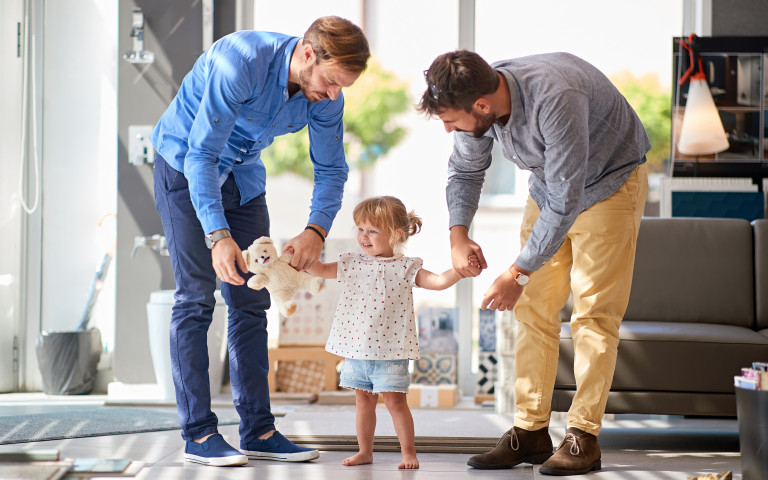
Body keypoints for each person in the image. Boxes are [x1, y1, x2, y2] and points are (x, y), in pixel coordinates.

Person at [150, 17, 370, 467]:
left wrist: (316, 231)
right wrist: (218, 235)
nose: (333, 95)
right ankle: (198, 434)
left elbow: (332, 170)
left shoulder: (327, 95)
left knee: (252, 302)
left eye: (340, 88)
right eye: (330, 82)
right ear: (308, 54)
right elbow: (203, 154)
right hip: (185, 167)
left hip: (244, 180)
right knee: (195, 299)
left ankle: (259, 430)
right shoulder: (241, 63)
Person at [418, 50, 649, 476]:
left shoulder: (555, 97)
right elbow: (466, 170)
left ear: (482, 106)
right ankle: (530, 431)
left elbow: (568, 198)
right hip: (551, 187)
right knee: (531, 308)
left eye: (451, 119)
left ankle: (583, 437)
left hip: (610, 183)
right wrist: (458, 234)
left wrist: (517, 272)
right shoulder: (476, 94)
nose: (448, 128)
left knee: (594, 314)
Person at [306, 196, 466, 470]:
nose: (363, 237)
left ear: (396, 234)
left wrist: (460, 271)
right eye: (360, 229)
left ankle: (408, 452)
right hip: (357, 349)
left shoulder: (406, 267)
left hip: (391, 351)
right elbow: (319, 269)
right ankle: (365, 451)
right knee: (363, 403)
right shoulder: (351, 262)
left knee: (395, 403)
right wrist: (298, 257)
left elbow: (438, 282)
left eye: (372, 231)